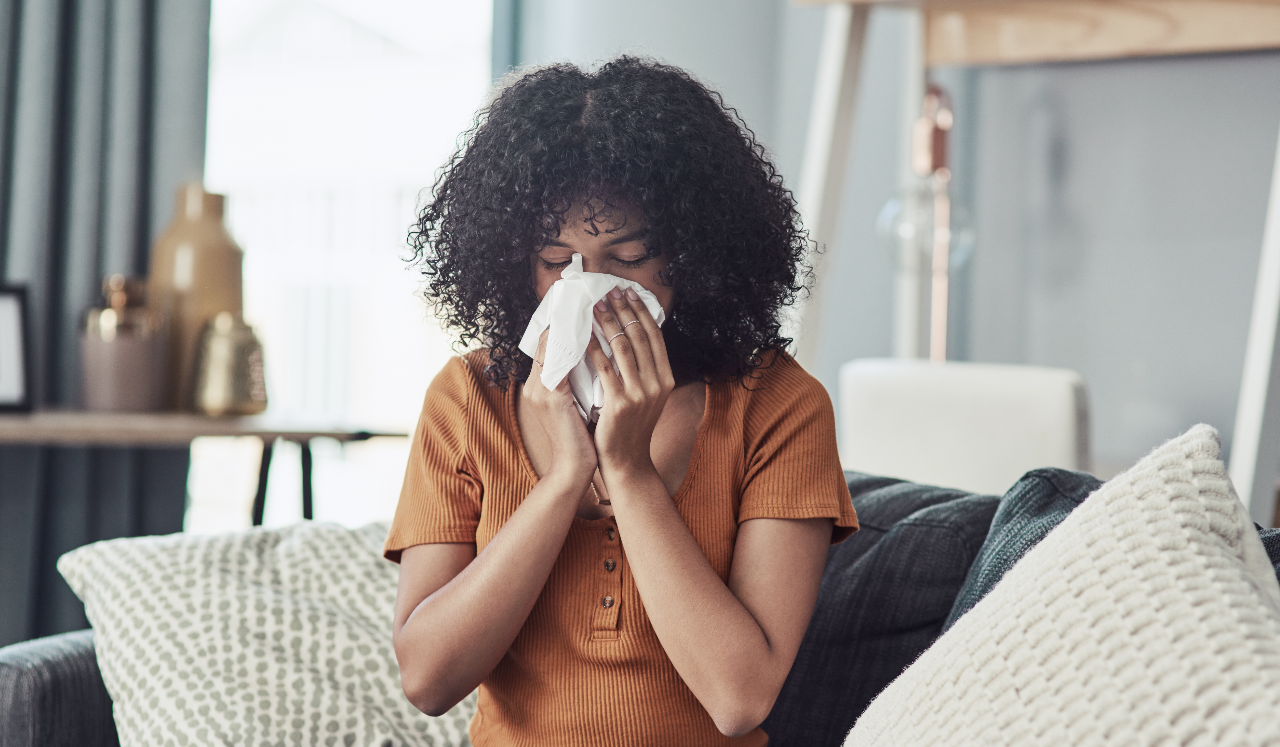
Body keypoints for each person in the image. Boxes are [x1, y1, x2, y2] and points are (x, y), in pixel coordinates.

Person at [386, 57, 858, 746]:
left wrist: (631, 473)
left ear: (694, 255)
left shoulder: (778, 406)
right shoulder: (467, 400)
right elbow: (427, 678)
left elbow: (739, 696)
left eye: (630, 256)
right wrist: (562, 481)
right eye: (557, 260)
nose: (592, 290)